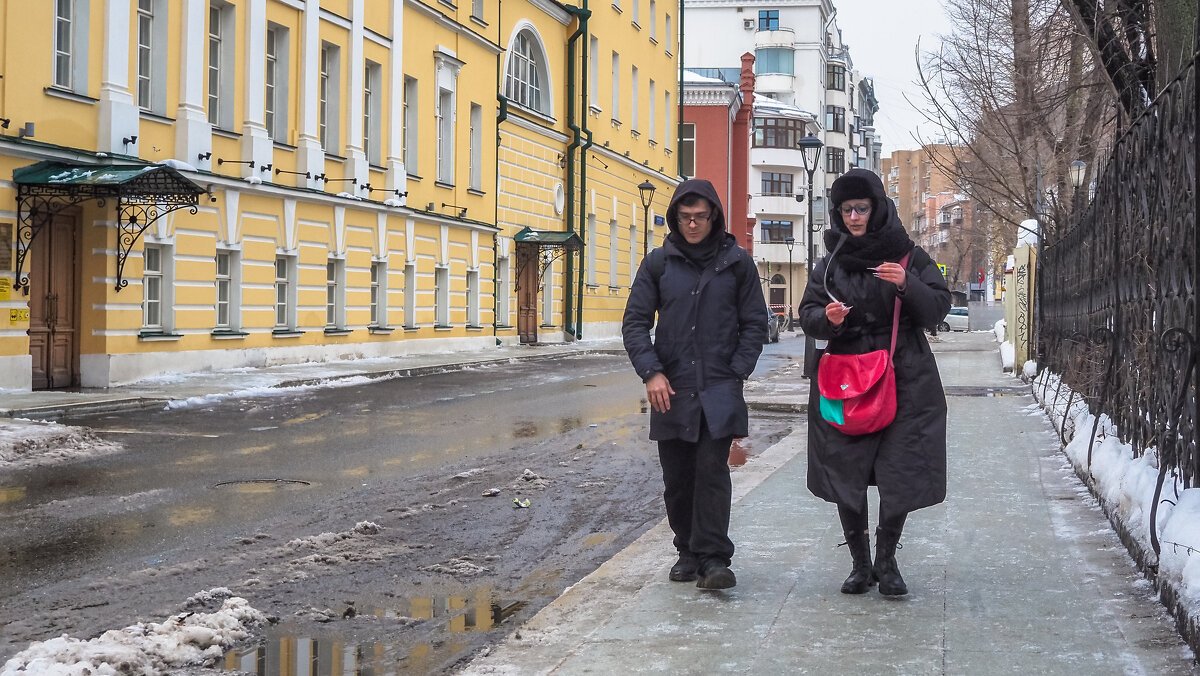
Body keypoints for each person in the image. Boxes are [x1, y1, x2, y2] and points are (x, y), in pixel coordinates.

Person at [797, 168, 950, 596]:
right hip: (845, 380)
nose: (853, 217)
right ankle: (859, 565)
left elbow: (937, 308)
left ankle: (887, 561)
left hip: (905, 379)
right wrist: (825, 320)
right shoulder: (829, 265)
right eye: (845, 210)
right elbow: (807, 313)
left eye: (861, 208)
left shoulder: (908, 257)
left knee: (899, 471)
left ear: (878, 207)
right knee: (846, 470)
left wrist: (907, 285)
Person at [622, 178, 768, 590]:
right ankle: (687, 550)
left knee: (711, 472)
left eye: (700, 217)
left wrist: (738, 368)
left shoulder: (737, 263)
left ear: (714, 217)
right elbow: (635, 323)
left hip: (719, 387)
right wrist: (651, 372)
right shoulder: (658, 264)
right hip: (671, 387)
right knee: (678, 478)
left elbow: (755, 322)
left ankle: (714, 558)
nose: (692, 225)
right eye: (685, 217)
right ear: (674, 218)